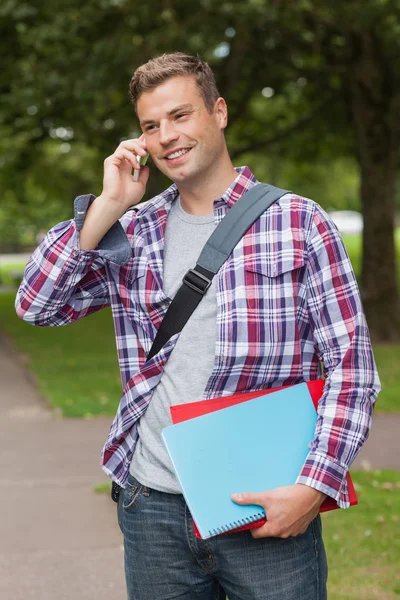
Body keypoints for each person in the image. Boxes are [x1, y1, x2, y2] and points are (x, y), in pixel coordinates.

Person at [15, 52, 381, 600]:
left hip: (263, 505)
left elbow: (353, 373)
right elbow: (37, 304)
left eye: (181, 116)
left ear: (219, 112)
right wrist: (109, 205)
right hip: (151, 508)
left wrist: (314, 487)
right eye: (150, 125)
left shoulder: (301, 223)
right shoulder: (131, 231)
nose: (166, 136)